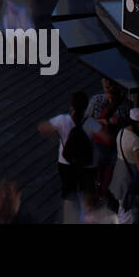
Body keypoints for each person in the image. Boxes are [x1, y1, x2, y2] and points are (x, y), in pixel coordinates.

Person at [38, 90, 95, 219]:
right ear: (86, 106)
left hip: (65, 162)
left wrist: (55, 134)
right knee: (85, 189)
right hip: (85, 162)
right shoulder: (91, 122)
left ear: (72, 105)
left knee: (70, 192)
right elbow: (106, 137)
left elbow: (42, 128)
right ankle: (86, 216)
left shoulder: (62, 120)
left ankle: (71, 217)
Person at [86, 79, 129, 198]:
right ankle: (94, 194)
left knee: (109, 174)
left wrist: (119, 123)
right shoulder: (97, 101)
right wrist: (104, 121)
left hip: (114, 146)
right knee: (96, 173)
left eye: (113, 96)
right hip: (97, 144)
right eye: (108, 95)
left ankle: (104, 195)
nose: (110, 99)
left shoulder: (124, 106)